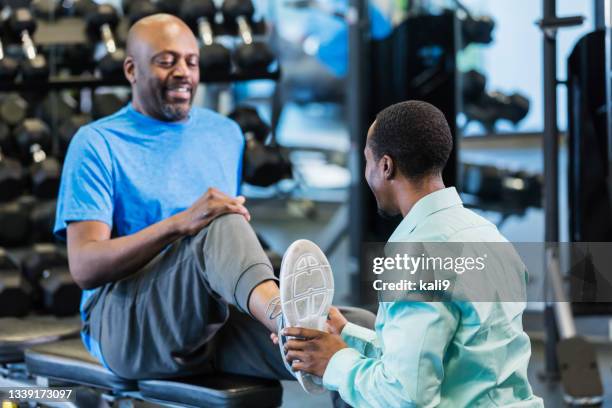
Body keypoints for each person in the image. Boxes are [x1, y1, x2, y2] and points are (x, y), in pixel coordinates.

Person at [54, 13, 373, 398]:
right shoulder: (96, 144)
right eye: (166, 61)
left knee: (357, 336)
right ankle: (280, 314)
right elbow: (84, 267)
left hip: (212, 325)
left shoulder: (225, 134)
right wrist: (181, 223)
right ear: (131, 70)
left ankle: (284, 317)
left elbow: (222, 255)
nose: (183, 73)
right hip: (127, 327)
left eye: (191, 61)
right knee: (218, 223)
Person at [281, 101, 544, 407]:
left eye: (368, 161)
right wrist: (345, 333)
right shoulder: (490, 236)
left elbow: (405, 397)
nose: (367, 173)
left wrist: (334, 363)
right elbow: (447, 357)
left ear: (385, 166)